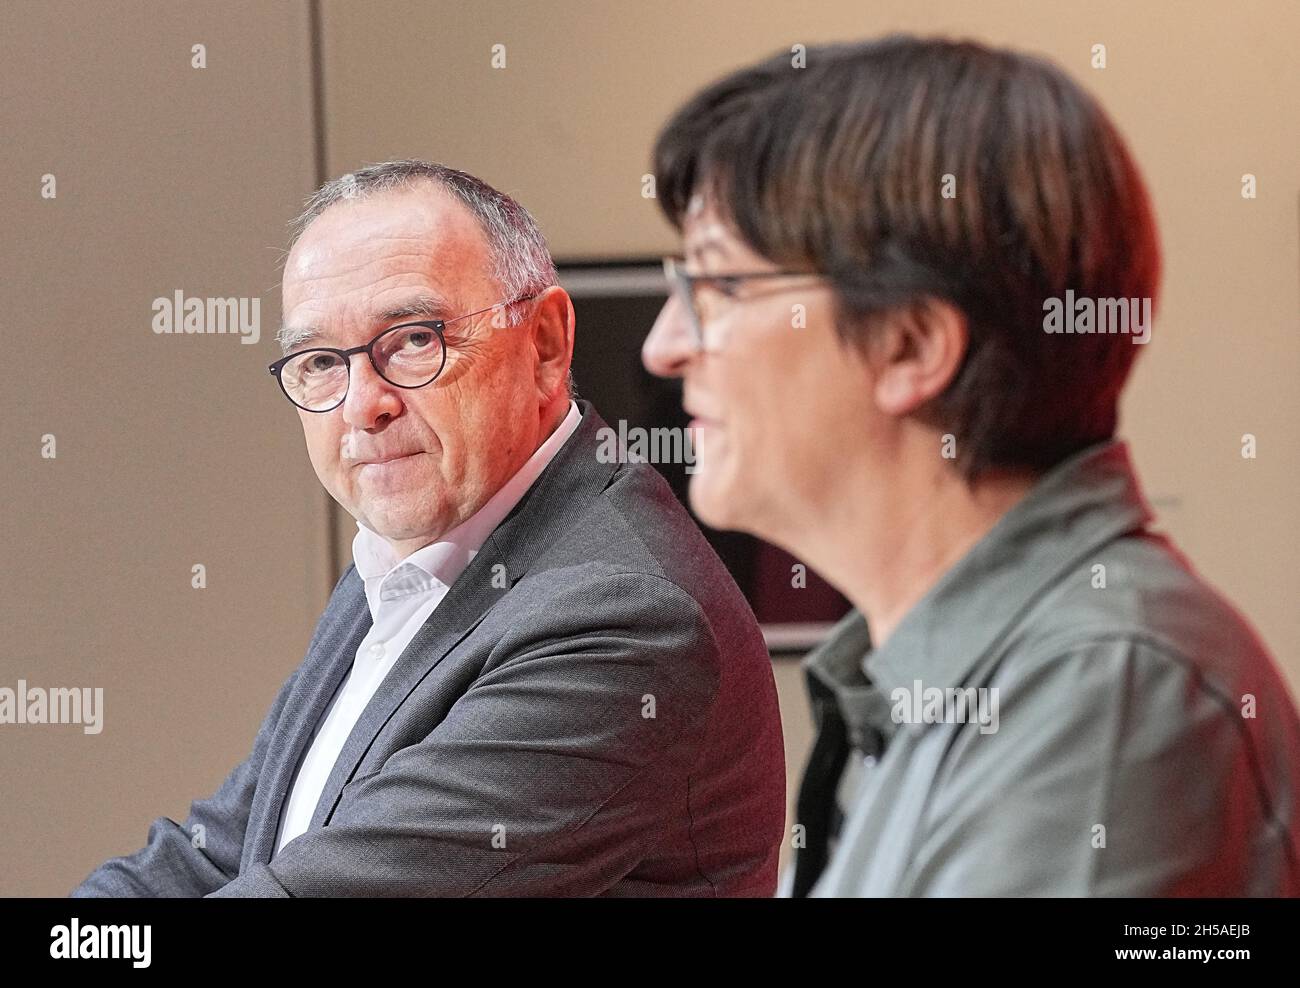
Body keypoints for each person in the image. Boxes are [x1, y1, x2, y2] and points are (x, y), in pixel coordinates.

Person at [641, 36, 1300, 895]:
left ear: (910, 345)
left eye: (719, 285)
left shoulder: (1101, 694)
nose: (663, 346)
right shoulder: (969, 681)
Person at [72, 160, 785, 897]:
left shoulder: (624, 615)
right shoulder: (405, 558)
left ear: (543, 343)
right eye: (320, 361)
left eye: (413, 340)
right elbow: (216, 854)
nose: (362, 404)